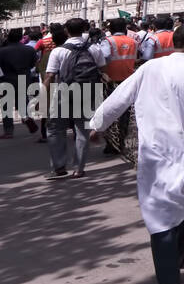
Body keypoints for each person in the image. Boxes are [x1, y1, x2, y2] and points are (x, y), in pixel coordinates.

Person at [87, 21, 184, 284]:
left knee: (160, 217)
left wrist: (98, 125)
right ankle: (172, 274)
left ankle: (171, 273)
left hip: (155, 156)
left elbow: (119, 98)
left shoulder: (149, 68)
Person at [44, 19, 111, 178]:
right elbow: (103, 71)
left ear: (66, 31)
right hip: (88, 91)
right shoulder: (94, 48)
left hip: (64, 92)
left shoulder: (58, 51)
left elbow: (50, 75)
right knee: (82, 130)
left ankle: (59, 167)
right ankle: (79, 168)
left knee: (55, 129)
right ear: (84, 29)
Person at [101, 18, 139, 155]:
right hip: (128, 80)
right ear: (125, 29)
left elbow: (104, 57)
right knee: (124, 113)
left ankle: (111, 144)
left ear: (110, 29)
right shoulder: (134, 42)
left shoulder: (108, 41)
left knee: (109, 111)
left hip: (111, 81)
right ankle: (121, 140)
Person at [0, 28, 39, 138]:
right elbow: (33, 64)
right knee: (22, 101)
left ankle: (8, 131)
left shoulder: (2, 51)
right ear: (21, 38)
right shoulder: (29, 50)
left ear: (8, 38)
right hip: (24, 78)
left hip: (6, 79)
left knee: (6, 105)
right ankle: (26, 117)